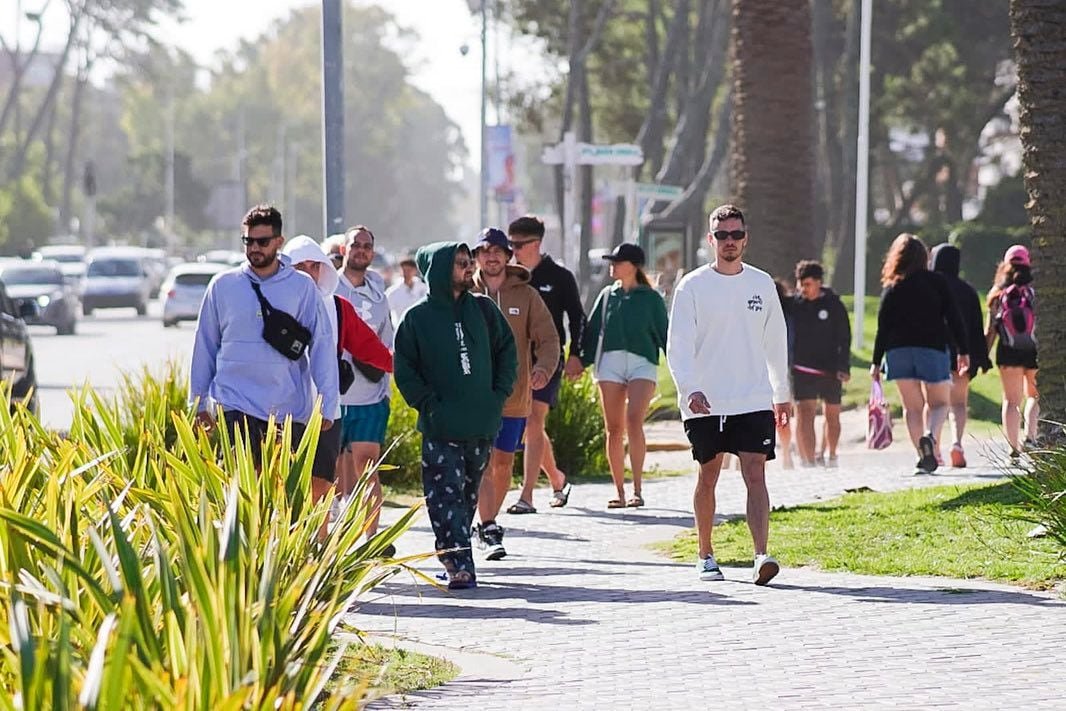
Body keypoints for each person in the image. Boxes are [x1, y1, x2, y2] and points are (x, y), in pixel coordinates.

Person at [667, 204, 791, 586]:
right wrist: (690, 388)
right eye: (722, 235)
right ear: (711, 240)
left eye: (736, 234)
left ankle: (761, 556)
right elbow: (678, 346)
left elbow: (776, 341)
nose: (730, 242)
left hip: (753, 397)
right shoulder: (692, 286)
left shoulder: (761, 284)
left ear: (745, 238)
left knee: (755, 472)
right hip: (705, 401)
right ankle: (705, 555)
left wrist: (781, 392)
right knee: (709, 474)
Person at [190, 205, 338, 505]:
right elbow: (204, 345)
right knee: (243, 491)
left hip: (286, 406)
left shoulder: (302, 287)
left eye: (262, 241)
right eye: (248, 241)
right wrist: (198, 403)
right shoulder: (223, 285)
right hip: (234, 402)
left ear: (279, 242)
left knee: (280, 494)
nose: (254, 248)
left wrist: (328, 404)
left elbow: (322, 346)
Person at [393, 241, 517, 589]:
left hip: (480, 423)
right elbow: (405, 369)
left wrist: (497, 396)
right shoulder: (416, 319)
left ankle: (452, 558)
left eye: (468, 261)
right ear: (439, 270)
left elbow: (507, 351)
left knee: (465, 498)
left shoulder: (484, 309)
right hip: (441, 426)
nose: (469, 267)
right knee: (443, 497)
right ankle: (460, 565)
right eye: (460, 262)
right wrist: (428, 404)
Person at [281, 235, 394, 515]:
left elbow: (372, 349)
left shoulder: (338, 307)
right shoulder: (269, 304)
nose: (308, 273)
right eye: (300, 267)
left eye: (314, 266)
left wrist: (418, 371)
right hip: (277, 412)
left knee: (320, 485)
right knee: (281, 484)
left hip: (326, 414)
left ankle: (317, 541)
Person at [471, 228, 559, 560]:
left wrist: (543, 368)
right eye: (484, 251)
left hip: (514, 396)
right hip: (474, 398)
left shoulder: (526, 295)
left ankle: (486, 521)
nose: (491, 256)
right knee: (480, 463)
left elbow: (548, 338)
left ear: (508, 256)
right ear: (477, 257)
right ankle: (487, 525)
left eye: (497, 250)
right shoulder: (465, 292)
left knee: (503, 462)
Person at [579, 242, 668, 509]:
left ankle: (637, 489)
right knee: (614, 429)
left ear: (634, 266)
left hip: (642, 363)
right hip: (610, 363)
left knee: (633, 421)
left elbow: (665, 334)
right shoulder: (608, 295)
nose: (613, 266)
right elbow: (593, 330)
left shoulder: (652, 299)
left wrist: (682, 370)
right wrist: (579, 361)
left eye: (618, 261)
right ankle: (619, 491)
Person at [871, 234, 969, 474]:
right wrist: (963, 350)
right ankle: (930, 437)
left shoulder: (893, 286)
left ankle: (921, 456)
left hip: (897, 351)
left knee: (912, 408)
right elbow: (954, 317)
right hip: (931, 348)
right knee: (939, 404)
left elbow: (883, 326)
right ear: (924, 257)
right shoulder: (937, 282)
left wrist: (875, 362)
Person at [508, 215, 585, 509]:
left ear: (536, 243)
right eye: (511, 244)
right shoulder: (509, 276)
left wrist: (576, 354)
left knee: (533, 421)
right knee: (529, 427)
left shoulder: (560, 276)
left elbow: (577, 318)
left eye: (519, 245)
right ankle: (557, 478)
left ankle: (527, 495)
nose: (513, 250)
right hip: (514, 362)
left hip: (547, 360)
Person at [334, 225, 395, 539]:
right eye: (355, 245)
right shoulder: (328, 287)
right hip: (332, 396)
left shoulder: (378, 293)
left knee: (368, 465)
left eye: (366, 246)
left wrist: (387, 387)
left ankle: (372, 539)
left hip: (370, 396)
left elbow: (388, 341)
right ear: (343, 250)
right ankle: (326, 541)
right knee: (329, 474)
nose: (361, 250)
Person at [930, 243, 993, 467]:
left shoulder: (930, 287)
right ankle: (956, 444)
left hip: (934, 352)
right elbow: (975, 327)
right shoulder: (968, 291)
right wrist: (980, 357)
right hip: (962, 354)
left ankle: (933, 447)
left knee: (934, 403)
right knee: (958, 403)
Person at [790, 260, 852, 468]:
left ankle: (831, 455)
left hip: (830, 370)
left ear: (818, 282)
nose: (803, 289)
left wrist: (844, 366)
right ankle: (809, 462)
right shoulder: (795, 305)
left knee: (832, 415)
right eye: (801, 284)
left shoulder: (834, 305)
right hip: (802, 369)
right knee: (805, 414)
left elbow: (845, 337)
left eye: (807, 284)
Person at [985, 244, 1039, 457]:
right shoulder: (1036, 290)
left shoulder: (997, 293)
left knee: (1011, 400)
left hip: (1007, 351)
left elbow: (990, 330)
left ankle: (1013, 448)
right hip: (1034, 350)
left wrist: (984, 355)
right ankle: (1031, 437)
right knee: (1034, 396)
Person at [774, 278, 796, 470]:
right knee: (782, 414)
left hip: (775, 368)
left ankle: (786, 453)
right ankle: (786, 453)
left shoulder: (786, 315)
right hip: (783, 368)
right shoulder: (789, 314)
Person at [386, 256, 428, 324]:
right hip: (402, 326)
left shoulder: (424, 288)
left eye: (409, 270)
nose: (406, 273)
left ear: (415, 270)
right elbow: (385, 311)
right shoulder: (393, 291)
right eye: (404, 270)